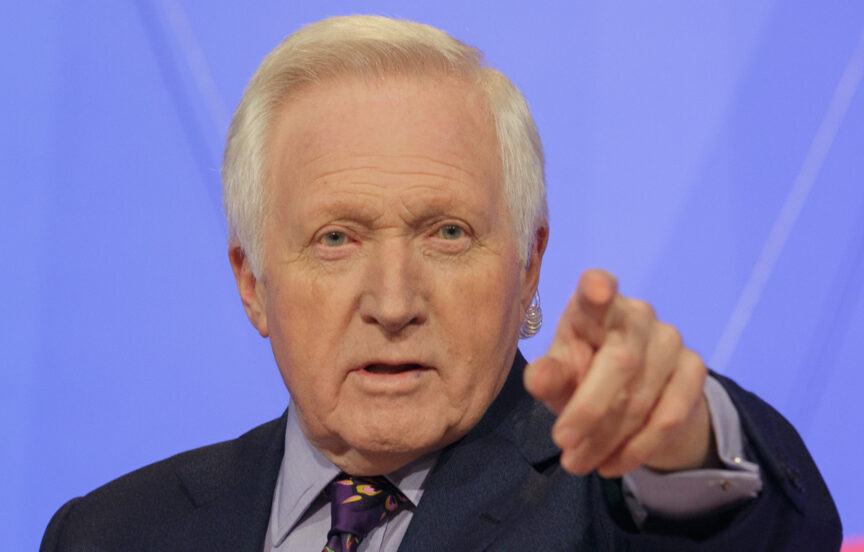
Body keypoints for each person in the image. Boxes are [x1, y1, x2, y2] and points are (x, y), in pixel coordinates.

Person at [41, 15, 841, 551]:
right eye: (335, 238)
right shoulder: (109, 531)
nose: (393, 304)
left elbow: (760, 530)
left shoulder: (602, 508)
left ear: (528, 265)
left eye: (448, 233)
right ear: (252, 284)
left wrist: (686, 450)